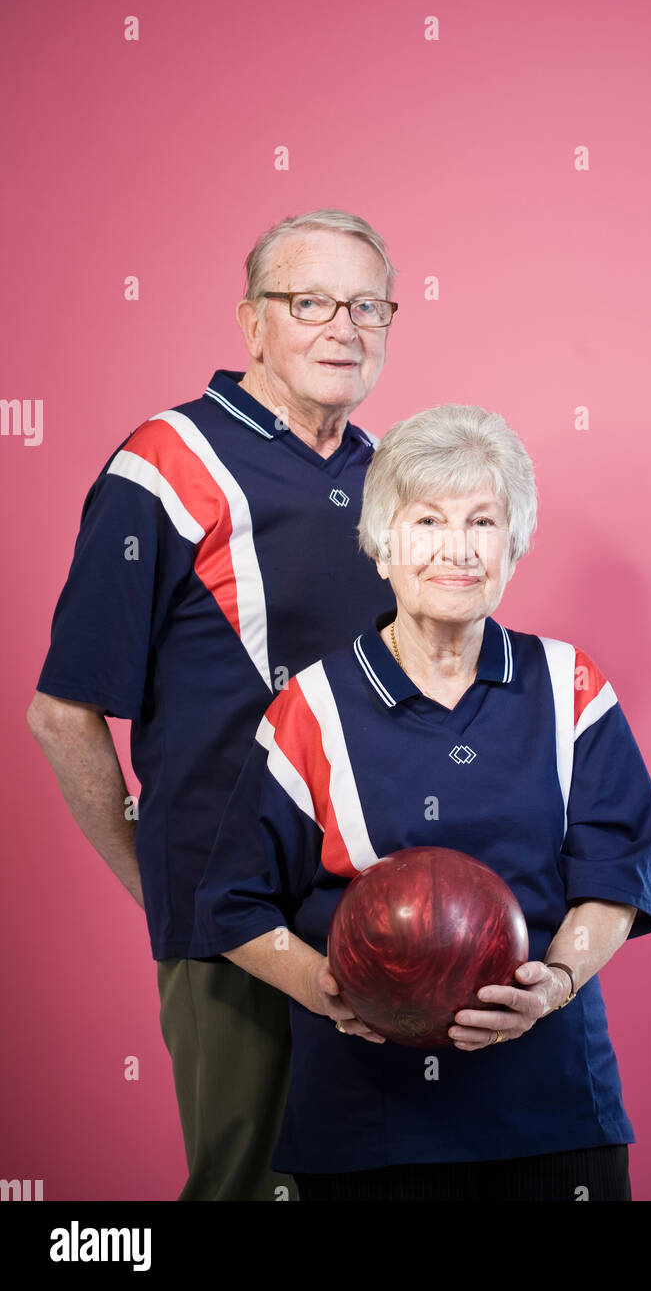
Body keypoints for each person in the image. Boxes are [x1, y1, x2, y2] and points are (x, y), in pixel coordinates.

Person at [193, 403, 651, 1202]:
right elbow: (234, 903)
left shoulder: (571, 686)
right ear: (382, 546)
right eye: (427, 522)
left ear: (513, 546)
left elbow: (615, 875)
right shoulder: (311, 707)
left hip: (553, 1110)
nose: (457, 548)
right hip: (367, 1125)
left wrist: (555, 982)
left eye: (483, 521)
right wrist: (328, 992)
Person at [25, 209, 399, 1200]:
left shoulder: (389, 476)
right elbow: (61, 712)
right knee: (252, 1185)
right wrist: (168, 889)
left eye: (368, 306)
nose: (344, 328)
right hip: (237, 916)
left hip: (381, 907)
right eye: (310, 302)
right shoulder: (166, 462)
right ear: (251, 323)